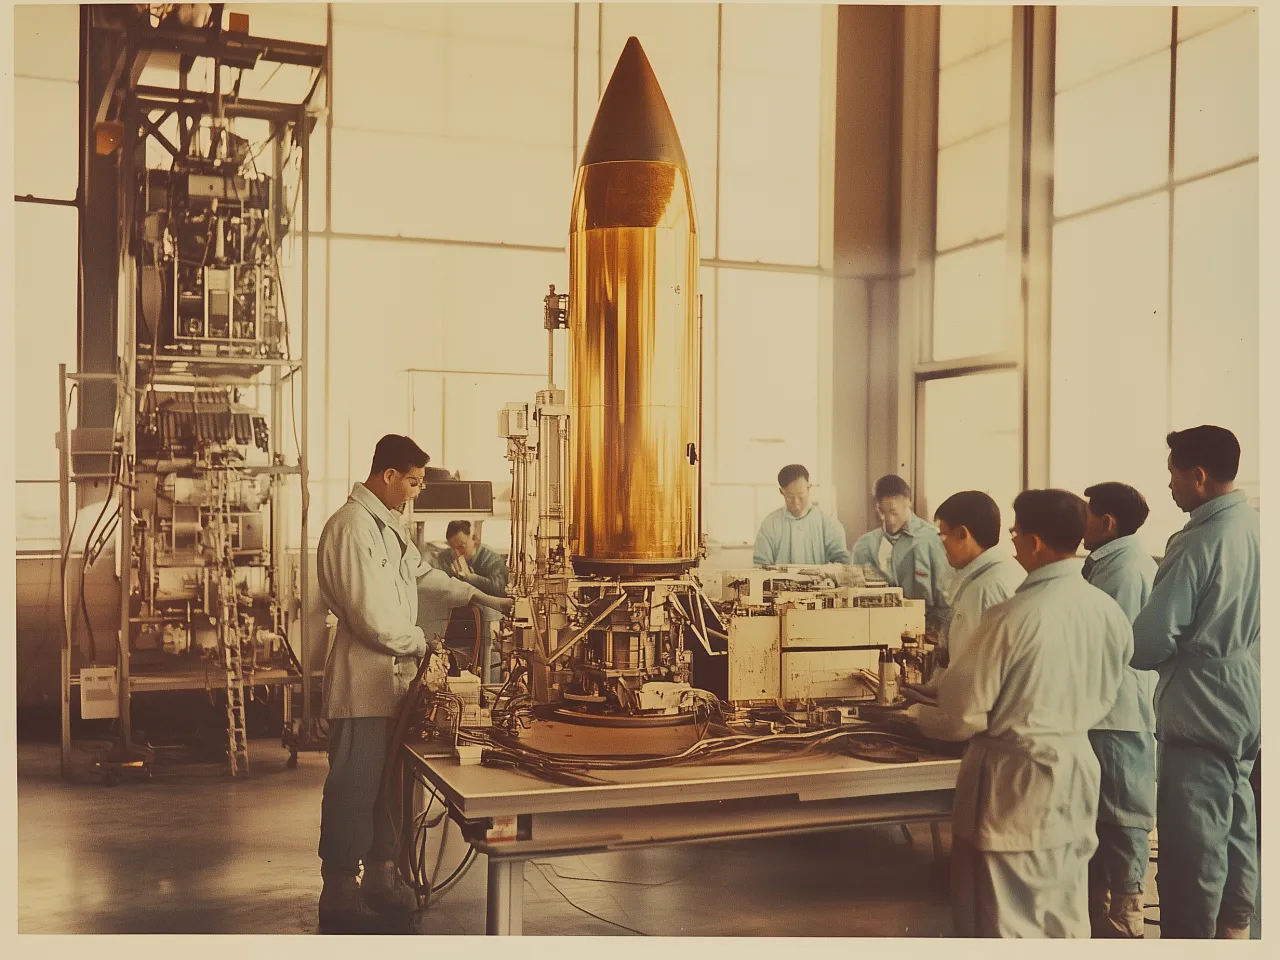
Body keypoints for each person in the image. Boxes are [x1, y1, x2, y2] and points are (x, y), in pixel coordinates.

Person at [915, 489, 1132, 937]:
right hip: (1074, 774)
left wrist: (914, 715)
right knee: (1065, 913)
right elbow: (1108, 691)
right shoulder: (1107, 611)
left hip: (1013, 786)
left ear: (1034, 543)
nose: (1011, 542)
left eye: (1016, 533)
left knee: (1007, 921)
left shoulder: (1010, 616)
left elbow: (961, 718)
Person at [1131, 426, 1260, 940]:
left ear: (1200, 477)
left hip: (1201, 708)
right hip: (1246, 698)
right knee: (1239, 827)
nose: (1170, 486)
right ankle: (1235, 933)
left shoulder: (1198, 542)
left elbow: (1149, 640)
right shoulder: (1254, 528)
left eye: (1173, 476)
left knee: (1191, 851)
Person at [314, 435, 435, 933]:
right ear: (387, 475)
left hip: (393, 685)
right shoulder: (350, 528)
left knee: (390, 787)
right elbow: (372, 620)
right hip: (363, 684)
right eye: (412, 481)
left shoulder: (387, 527)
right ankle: (340, 891)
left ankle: (382, 878)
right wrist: (421, 643)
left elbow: (418, 580)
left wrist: (484, 596)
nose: (415, 491)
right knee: (354, 786)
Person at [1080, 482, 1159, 938]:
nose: (1082, 525)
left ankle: (1127, 911)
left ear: (1107, 522)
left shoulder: (1125, 569)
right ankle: (1102, 906)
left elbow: (1112, 645)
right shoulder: (1108, 563)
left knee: (1125, 815)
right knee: (1101, 812)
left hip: (1119, 713)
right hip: (1104, 712)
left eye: (1087, 515)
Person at [851, 474, 952, 634]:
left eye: (894, 512)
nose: (888, 519)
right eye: (881, 511)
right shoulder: (865, 546)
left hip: (925, 632)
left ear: (908, 502)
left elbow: (946, 602)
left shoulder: (933, 540)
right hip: (876, 630)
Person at [437, 520, 509, 682]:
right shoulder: (448, 558)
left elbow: (499, 588)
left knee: (489, 662)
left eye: (461, 546)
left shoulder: (491, 559)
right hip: (462, 625)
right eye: (453, 548)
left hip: (490, 620)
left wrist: (471, 578)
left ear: (474, 539)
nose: (457, 553)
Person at [753, 463, 851, 566]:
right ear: (782, 492)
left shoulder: (829, 524)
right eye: (790, 497)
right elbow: (761, 566)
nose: (796, 502)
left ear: (809, 488)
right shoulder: (770, 525)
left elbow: (842, 563)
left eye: (801, 495)